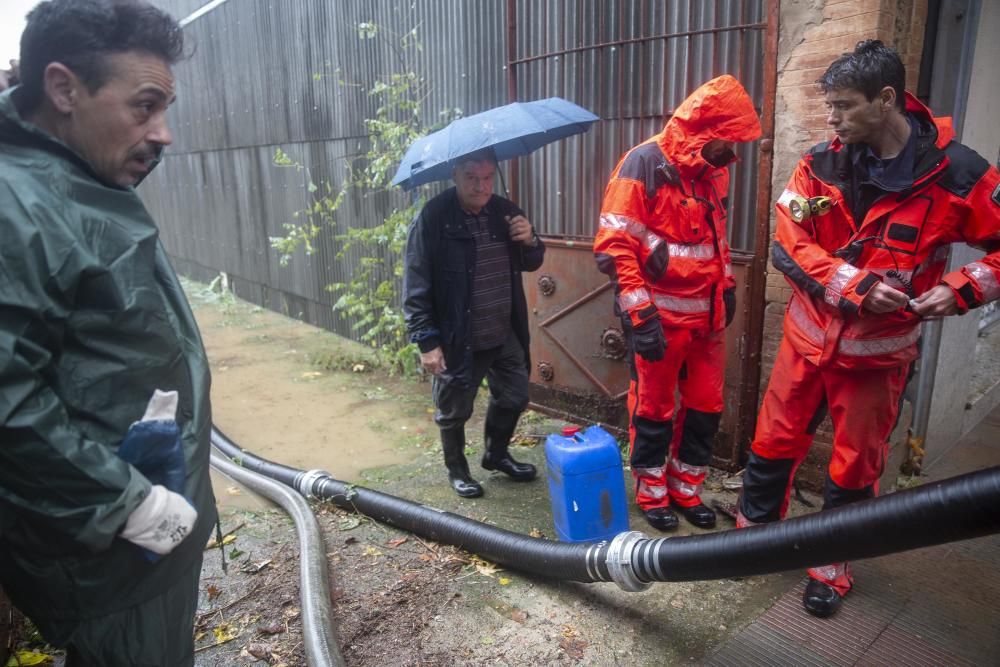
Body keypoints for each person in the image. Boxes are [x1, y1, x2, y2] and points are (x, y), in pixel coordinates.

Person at [738, 39, 1000, 618]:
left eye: (844, 106)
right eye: (829, 106)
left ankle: (830, 567)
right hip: (806, 342)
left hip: (879, 357)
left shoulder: (959, 174)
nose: (831, 119)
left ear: (886, 100)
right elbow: (791, 239)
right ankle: (747, 541)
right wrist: (851, 285)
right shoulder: (820, 162)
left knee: (855, 464)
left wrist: (961, 289)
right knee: (772, 442)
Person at [0, 1, 217, 664]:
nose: (164, 133)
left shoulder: (76, 176)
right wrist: (126, 503)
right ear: (64, 88)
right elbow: (7, 399)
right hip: (110, 553)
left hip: (142, 530)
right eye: (144, 106)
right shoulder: (17, 207)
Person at [593, 75, 762, 532]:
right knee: (653, 409)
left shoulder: (712, 171)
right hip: (661, 319)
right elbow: (615, 245)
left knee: (706, 407)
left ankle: (686, 488)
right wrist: (640, 314)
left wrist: (725, 285)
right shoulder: (644, 163)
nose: (734, 152)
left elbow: (714, 237)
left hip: (707, 320)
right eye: (728, 140)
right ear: (704, 130)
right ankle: (651, 492)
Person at [403, 150, 546, 498]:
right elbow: (416, 283)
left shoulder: (506, 212)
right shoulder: (434, 217)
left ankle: (495, 455)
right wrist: (426, 341)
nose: (480, 186)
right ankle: (457, 471)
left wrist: (531, 240)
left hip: (504, 330)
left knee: (514, 396)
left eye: (486, 178)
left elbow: (530, 263)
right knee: (454, 410)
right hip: (459, 335)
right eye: (471, 177)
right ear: (455, 175)